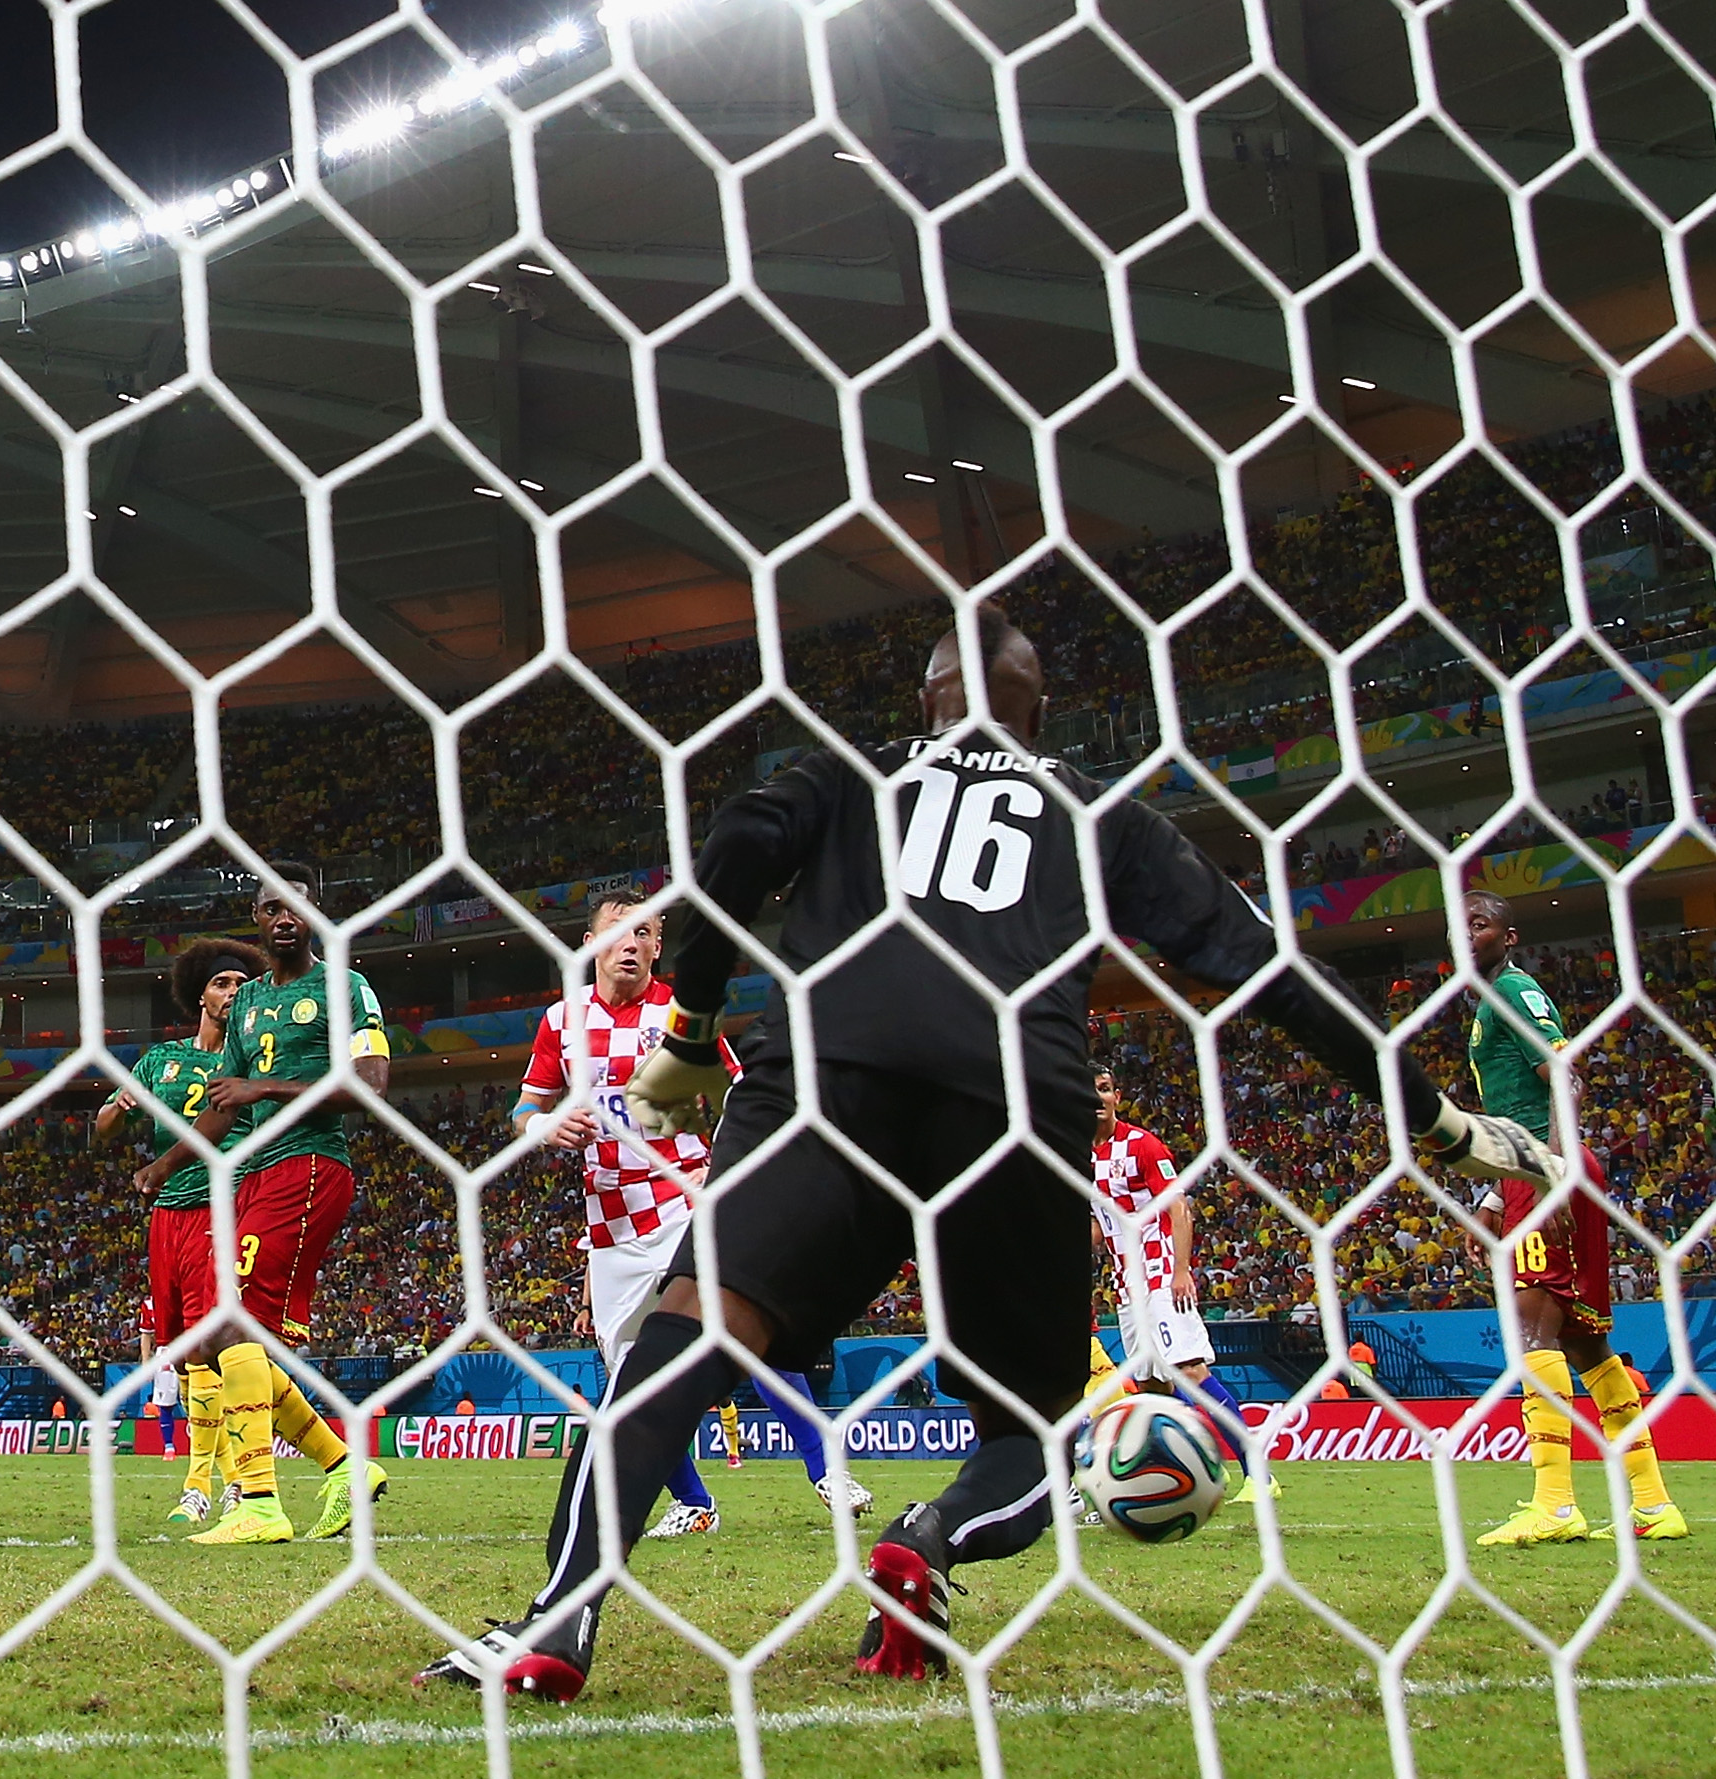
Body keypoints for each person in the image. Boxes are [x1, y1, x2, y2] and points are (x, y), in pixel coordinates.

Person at [419, 607, 1555, 1699]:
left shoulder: (849, 771)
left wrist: (690, 1025)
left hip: (831, 1070)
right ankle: (930, 1539)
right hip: (1012, 1097)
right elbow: (1272, 972)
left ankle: (562, 1615)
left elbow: (733, 847)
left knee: (691, 1333)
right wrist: (1435, 1120)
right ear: (1041, 708)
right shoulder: (1101, 813)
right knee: (1033, 1434)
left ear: (927, 697)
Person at [516, 890, 867, 1533]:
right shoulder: (560, 1020)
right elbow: (525, 1110)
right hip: (612, 1227)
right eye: (617, 930)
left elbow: (738, 1098)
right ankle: (695, 1505)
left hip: (684, 1201)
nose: (631, 942)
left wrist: (721, 1168)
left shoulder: (682, 1013)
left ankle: (827, 1470)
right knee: (634, 1381)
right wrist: (545, 1126)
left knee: (739, 1334)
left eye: (645, 932)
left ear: (658, 945)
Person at [1460, 891, 1685, 1544]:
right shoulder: (1489, 1001)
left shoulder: (1515, 989)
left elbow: (1564, 1077)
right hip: (1533, 1166)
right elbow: (1519, 1109)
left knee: (1533, 1332)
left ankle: (1554, 1503)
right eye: (1460, 923)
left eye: (1480, 922)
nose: (1467, 932)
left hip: (1549, 1166)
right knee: (1585, 1341)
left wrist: (1551, 1179)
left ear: (1509, 936)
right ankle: (1653, 1501)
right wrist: (1496, 1199)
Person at [183, 882, 393, 1546]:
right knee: (226, 1340)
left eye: (296, 906)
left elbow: (371, 1085)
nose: (285, 917)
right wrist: (167, 1167)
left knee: (229, 1326)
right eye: (272, 906)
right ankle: (343, 1468)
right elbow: (225, 1100)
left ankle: (262, 1503)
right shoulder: (246, 1001)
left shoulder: (347, 984)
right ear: (257, 918)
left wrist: (265, 1087)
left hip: (309, 1163)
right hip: (253, 1174)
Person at [102, 936, 268, 1524]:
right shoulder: (159, 1061)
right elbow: (104, 1127)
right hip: (166, 1214)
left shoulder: (250, 1063)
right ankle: (221, 1480)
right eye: (224, 983)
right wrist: (117, 1109)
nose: (233, 994)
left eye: (243, 987)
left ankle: (210, 1484)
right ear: (200, 992)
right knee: (184, 1353)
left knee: (210, 1349)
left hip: (221, 1209)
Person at [1088, 1065, 1265, 1504]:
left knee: (1189, 1372)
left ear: (1117, 1097)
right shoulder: (1081, 1157)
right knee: (1151, 1388)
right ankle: (1188, 1475)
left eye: (1107, 1090)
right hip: (1128, 1286)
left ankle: (1258, 1473)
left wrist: (1181, 1270)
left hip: (1161, 1276)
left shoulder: (1142, 1145)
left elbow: (1178, 1208)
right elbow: (1101, 1226)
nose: (1100, 1098)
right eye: (1091, 1090)